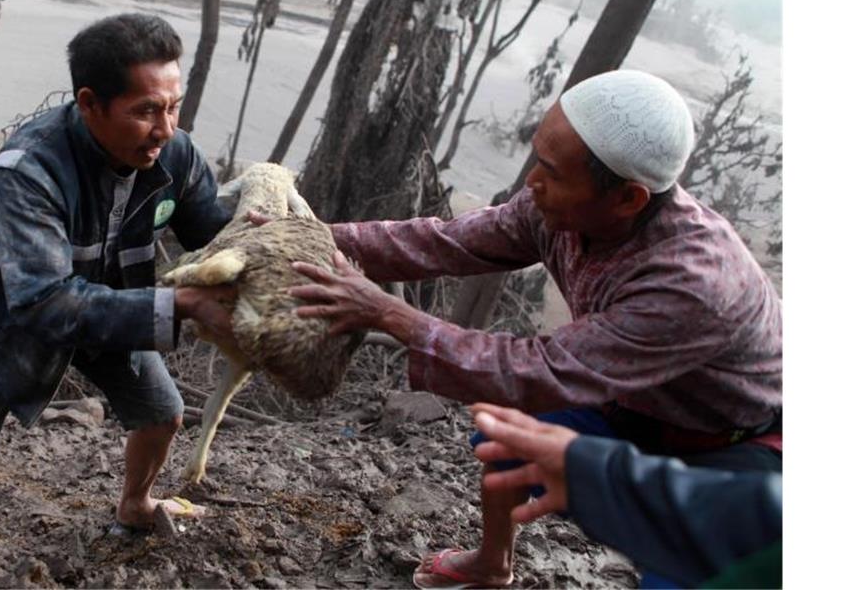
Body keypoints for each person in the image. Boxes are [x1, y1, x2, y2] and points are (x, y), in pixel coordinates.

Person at [286, 70, 782, 588]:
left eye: (552, 170)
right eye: (537, 157)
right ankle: (492, 563)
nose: (531, 182)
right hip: (633, 404)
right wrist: (311, 237)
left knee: (685, 576)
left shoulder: (692, 286)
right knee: (509, 433)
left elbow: (542, 370)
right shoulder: (556, 206)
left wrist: (388, 313)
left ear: (629, 199)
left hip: (734, 444)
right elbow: (447, 242)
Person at [0, 14, 236, 590]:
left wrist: (260, 225)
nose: (165, 129)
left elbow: (209, 230)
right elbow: (44, 301)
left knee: (163, 412)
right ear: (89, 103)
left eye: (173, 107)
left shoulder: (174, 156)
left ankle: (135, 503)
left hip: (116, 309)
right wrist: (181, 305)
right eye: (145, 111)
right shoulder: (28, 168)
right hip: (12, 326)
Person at [470, 403, 781, 589]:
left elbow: (753, 523)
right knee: (510, 438)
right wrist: (591, 470)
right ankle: (493, 563)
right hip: (646, 419)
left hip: (744, 444)